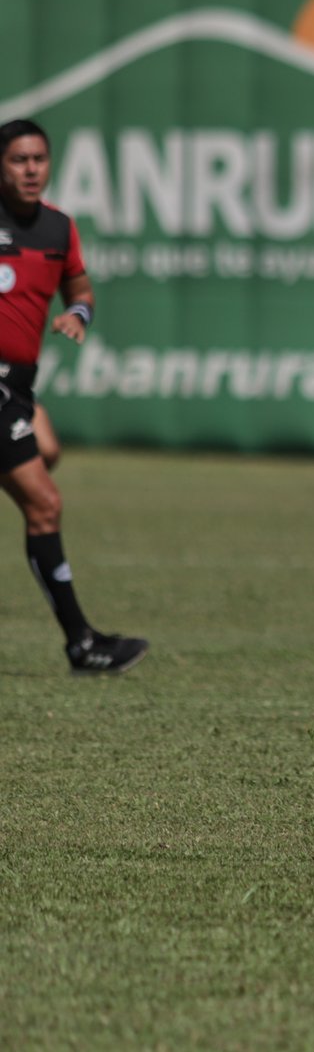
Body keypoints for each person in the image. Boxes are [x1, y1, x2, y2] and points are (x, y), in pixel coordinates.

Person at [0, 120, 148, 674]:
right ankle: (81, 643)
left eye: (39, 158)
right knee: (45, 503)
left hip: (16, 385)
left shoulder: (59, 228)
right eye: (18, 160)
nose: (32, 169)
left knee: (49, 453)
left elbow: (79, 288)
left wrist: (78, 312)